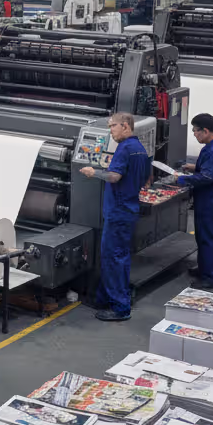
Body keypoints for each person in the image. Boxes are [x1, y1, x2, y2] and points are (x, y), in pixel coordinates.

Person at [78, 113, 150, 322]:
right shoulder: (140, 149)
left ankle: (120, 307)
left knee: (113, 258)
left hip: (118, 212)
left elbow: (114, 176)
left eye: (112, 127)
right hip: (128, 209)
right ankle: (104, 298)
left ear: (125, 126)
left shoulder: (125, 148)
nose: (111, 131)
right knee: (118, 257)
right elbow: (145, 179)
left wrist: (94, 172)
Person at [178, 113, 213, 289]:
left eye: (195, 131)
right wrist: (194, 167)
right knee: (203, 238)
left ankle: (210, 277)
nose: (194, 134)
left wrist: (181, 179)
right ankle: (204, 268)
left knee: (208, 239)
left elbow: (207, 178)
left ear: (205, 130)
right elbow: (211, 169)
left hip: (210, 202)